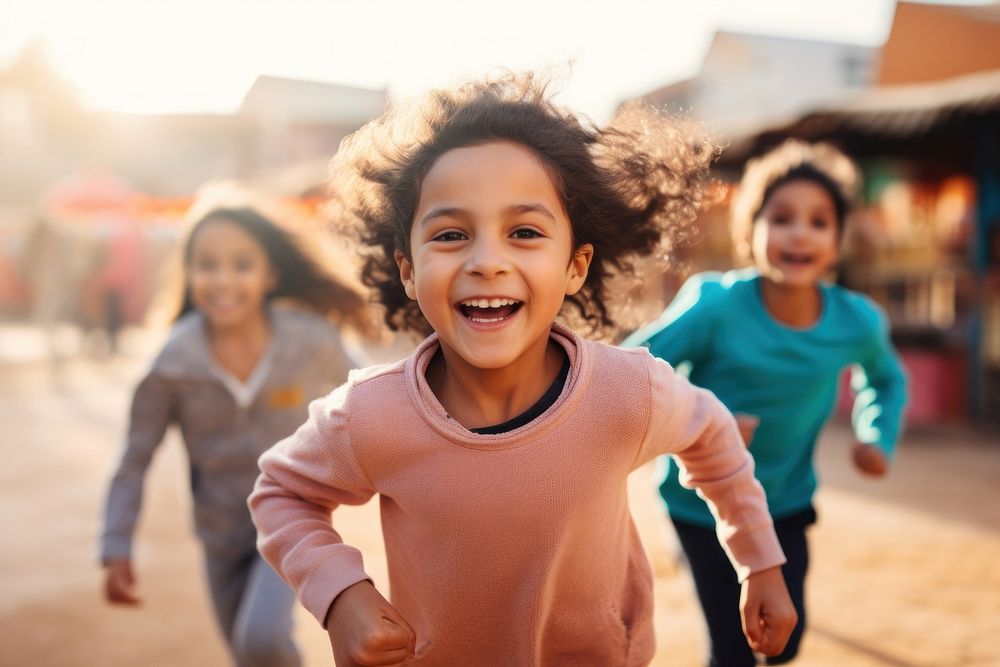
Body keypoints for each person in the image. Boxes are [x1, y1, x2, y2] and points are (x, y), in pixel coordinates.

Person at [249, 72, 798, 667]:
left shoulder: (627, 394)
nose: (488, 261)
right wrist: (342, 596)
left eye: (525, 232)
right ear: (408, 270)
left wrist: (759, 558)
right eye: (452, 234)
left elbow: (710, 432)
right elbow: (282, 492)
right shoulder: (370, 417)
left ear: (574, 265)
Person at [624, 140, 908, 666]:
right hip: (700, 508)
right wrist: (702, 423)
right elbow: (633, 369)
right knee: (732, 652)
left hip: (786, 503)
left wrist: (876, 436)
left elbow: (886, 382)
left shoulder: (856, 321)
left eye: (819, 222)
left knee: (784, 642)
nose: (799, 232)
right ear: (750, 231)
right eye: (781, 218)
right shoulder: (717, 305)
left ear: (838, 242)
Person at [100, 205, 371, 667]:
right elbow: (135, 458)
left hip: (292, 521)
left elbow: (370, 400)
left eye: (242, 265)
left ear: (269, 275)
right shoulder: (172, 363)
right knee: (247, 656)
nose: (223, 281)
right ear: (189, 275)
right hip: (218, 534)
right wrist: (115, 544)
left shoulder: (309, 340)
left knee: (260, 641)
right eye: (207, 265)